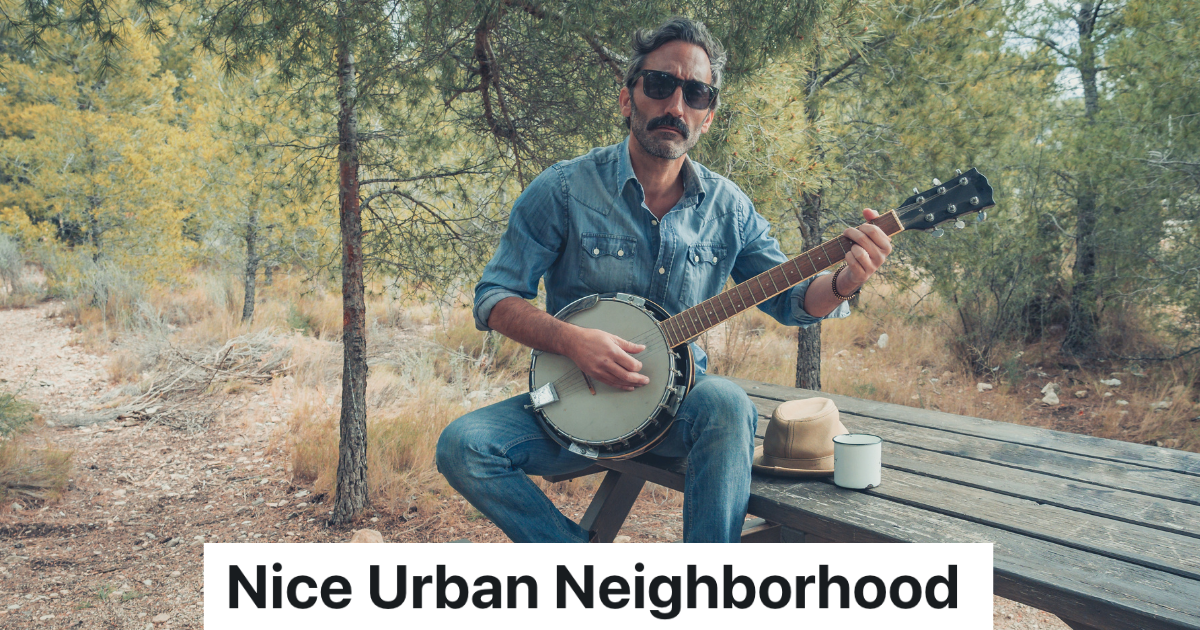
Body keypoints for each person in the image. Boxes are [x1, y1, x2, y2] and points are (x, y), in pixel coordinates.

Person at [436, 17, 892, 542]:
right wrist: (572, 341)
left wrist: (843, 282)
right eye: (660, 85)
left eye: (695, 94)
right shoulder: (563, 189)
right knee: (463, 445)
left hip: (679, 410)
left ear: (708, 116)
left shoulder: (729, 209)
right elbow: (494, 297)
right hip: (574, 409)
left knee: (727, 403)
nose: (676, 106)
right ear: (629, 99)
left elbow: (792, 301)